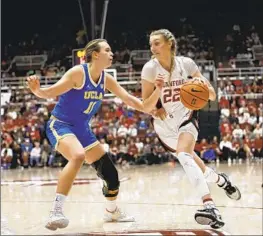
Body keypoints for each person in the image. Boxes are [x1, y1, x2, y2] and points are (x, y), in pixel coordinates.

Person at [27, 38, 163, 231]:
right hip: (61, 125)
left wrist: (158, 91)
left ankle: (111, 211)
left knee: (111, 175)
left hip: (82, 129)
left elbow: (135, 102)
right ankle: (55, 211)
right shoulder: (77, 73)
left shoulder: (107, 79)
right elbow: (50, 93)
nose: (112, 54)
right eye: (107, 50)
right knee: (78, 155)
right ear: (96, 54)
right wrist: (37, 90)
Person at [141, 29, 241, 229]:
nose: (153, 48)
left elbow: (211, 95)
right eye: (151, 44)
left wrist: (198, 85)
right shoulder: (149, 69)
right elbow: (146, 106)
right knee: (199, 168)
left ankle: (210, 206)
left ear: (170, 43)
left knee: (185, 156)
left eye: (157, 43)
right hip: (164, 127)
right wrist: (158, 92)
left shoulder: (186, 64)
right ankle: (221, 180)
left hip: (187, 118)